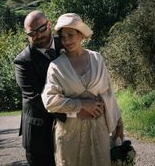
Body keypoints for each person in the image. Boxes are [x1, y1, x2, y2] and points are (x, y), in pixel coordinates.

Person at [42, 12, 124, 166]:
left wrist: (119, 123)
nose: (66, 40)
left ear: (81, 35)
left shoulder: (97, 58)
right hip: (70, 133)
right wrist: (81, 105)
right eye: (63, 37)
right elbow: (49, 101)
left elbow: (108, 92)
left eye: (70, 35)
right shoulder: (56, 66)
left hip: (98, 129)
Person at [14, 11, 62, 166]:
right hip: (38, 134)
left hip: (71, 133)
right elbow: (35, 97)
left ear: (49, 25)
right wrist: (76, 111)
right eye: (32, 33)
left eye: (41, 29)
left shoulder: (66, 44)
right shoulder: (22, 61)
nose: (38, 36)